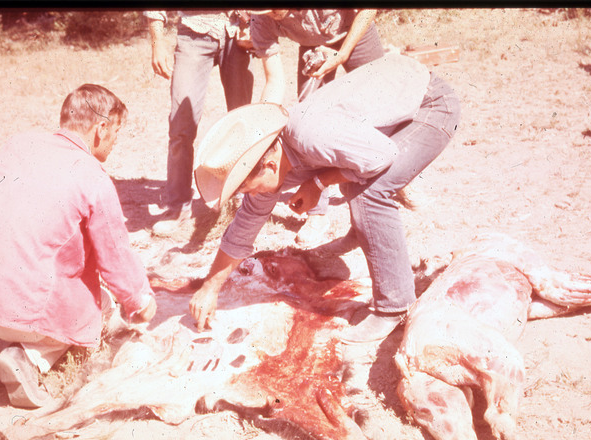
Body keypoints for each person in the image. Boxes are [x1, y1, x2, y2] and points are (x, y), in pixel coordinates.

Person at [189, 54, 460, 345]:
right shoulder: (269, 157)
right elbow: (246, 225)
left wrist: (318, 182)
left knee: (371, 191)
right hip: (391, 109)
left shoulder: (308, 136)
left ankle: (395, 305)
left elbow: (383, 156)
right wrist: (210, 287)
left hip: (428, 104)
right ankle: (363, 231)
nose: (252, 196)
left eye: (250, 189)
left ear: (268, 165)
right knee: (357, 171)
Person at [0, 84, 157, 409]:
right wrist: (139, 301)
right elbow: (115, 259)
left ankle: (28, 338)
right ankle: (31, 357)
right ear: (100, 129)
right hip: (18, 310)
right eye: (116, 132)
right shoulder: (93, 176)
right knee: (100, 305)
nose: (115, 141)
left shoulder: (18, 145)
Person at [248, 9, 384, 247]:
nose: (272, 16)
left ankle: (376, 208)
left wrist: (342, 55)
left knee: (380, 109)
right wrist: (262, 130)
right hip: (313, 47)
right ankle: (317, 215)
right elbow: (273, 80)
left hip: (354, 32)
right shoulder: (260, 19)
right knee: (310, 126)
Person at [144, 10, 254, 236]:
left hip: (238, 34)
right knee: (181, 126)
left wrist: (254, 22)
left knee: (243, 120)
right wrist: (158, 42)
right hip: (193, 33)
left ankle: (245, 202)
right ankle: (178, 207)